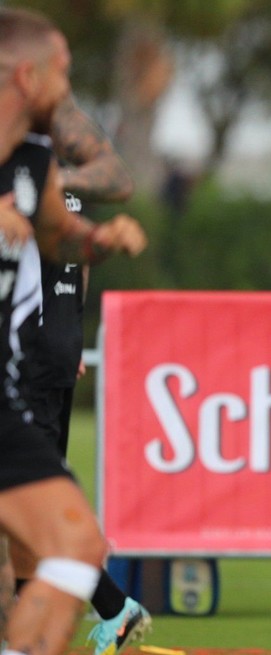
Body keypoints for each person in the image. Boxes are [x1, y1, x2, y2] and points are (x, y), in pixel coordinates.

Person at [0, 8, 148, 655]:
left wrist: (101, 239)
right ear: (26, 77)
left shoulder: (35, 160)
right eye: (61, 71)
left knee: (76, 543)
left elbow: (61, 235)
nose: (68, 87)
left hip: (5, 394)